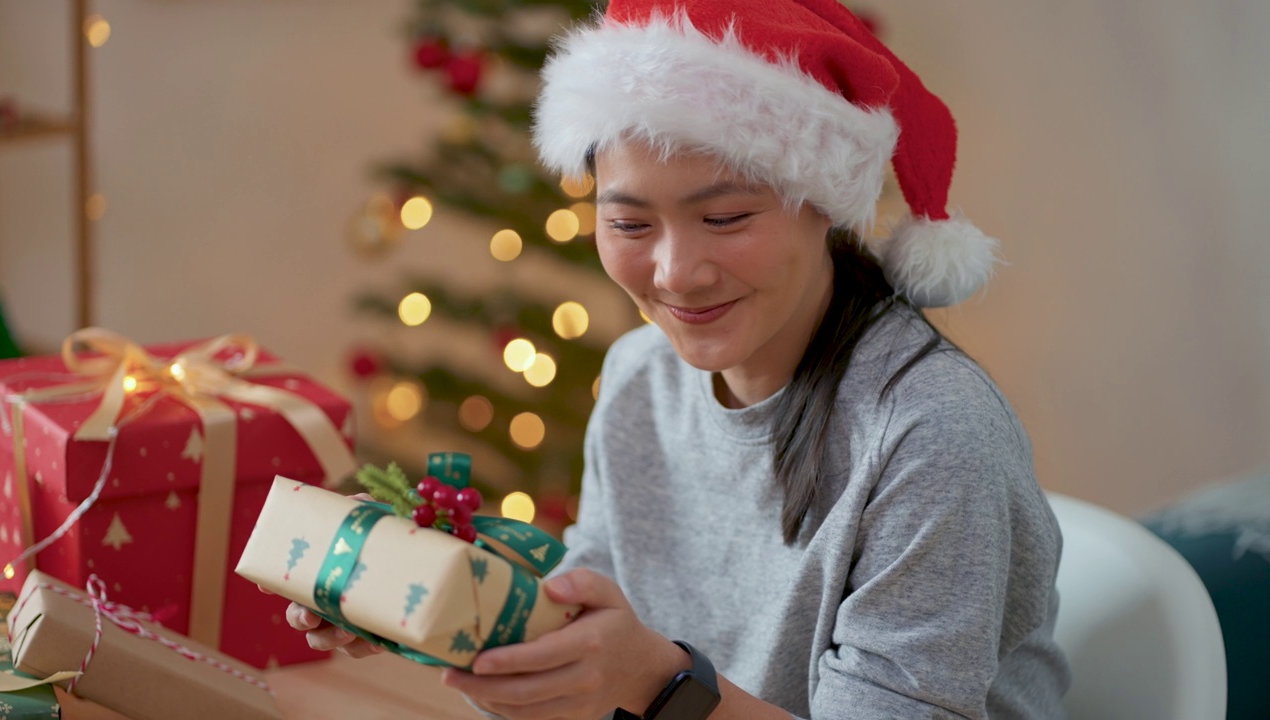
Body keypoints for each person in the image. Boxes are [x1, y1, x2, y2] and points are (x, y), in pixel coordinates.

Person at [286, 0, 1072, 717]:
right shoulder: (639, 376)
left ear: (824, 206)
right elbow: (584, 625)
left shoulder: (931, 434)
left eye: (725, 218)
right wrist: (429, 605)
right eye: (629, 224)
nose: (674, 274)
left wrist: (654, 685)